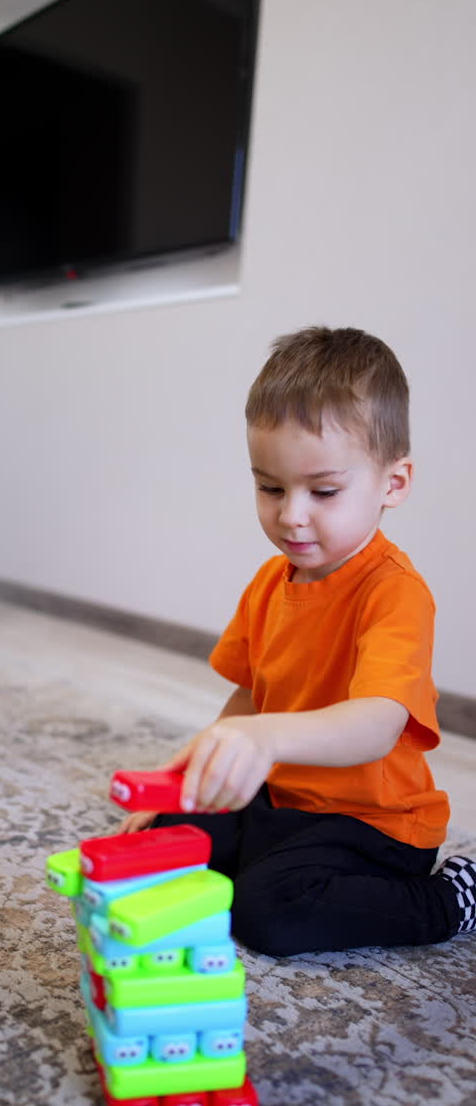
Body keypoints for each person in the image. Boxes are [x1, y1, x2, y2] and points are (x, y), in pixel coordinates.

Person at [119, 326, 476, 956]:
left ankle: (450, 900)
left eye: (324, 491)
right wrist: (188, 775)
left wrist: (268, 737)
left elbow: (377, 723)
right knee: (166, 846)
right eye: (271, 487)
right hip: (284, 800)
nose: (291, 515)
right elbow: (248, 701)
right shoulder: (270, 580)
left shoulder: (394, 592)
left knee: (268, 912)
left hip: (373, 825)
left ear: (393, 484)